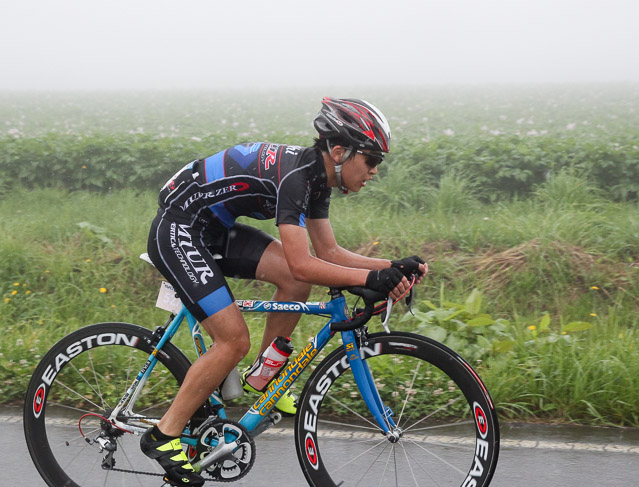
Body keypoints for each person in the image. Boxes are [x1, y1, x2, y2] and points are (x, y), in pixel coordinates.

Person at [141, 97, 428, 486]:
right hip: (179, 228)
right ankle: (164, 435)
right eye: (372, 161)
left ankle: (265, 383)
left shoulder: (320, 176)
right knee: (232, 341)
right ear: (340, 152)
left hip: (214, 228)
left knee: (297, 284)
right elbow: (301, 260)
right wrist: (368, 280)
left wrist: (389, 267)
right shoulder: (297, 178)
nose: (375, 171)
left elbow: (328, 253)